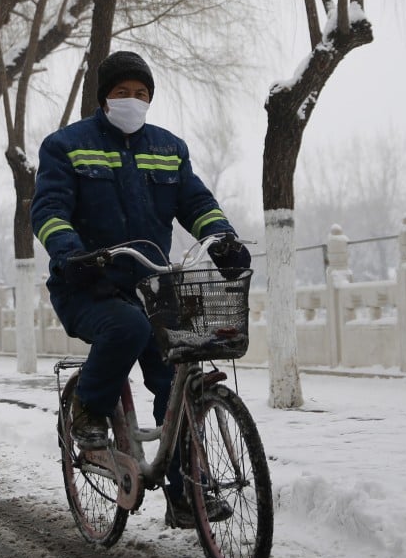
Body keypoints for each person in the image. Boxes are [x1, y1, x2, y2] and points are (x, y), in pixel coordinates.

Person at [31, 50, 251, 528]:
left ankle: (185, 492)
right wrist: (71, 252)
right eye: (122, 93)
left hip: (153, 286)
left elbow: (196, 202)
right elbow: (47, 211)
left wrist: (223, 240)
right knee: (127, 327)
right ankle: (89, 411)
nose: (132, 101)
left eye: (141, 94)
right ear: (104, 98)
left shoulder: (169, 148)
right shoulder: (66, 145)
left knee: (178, 378)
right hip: (86, 285)